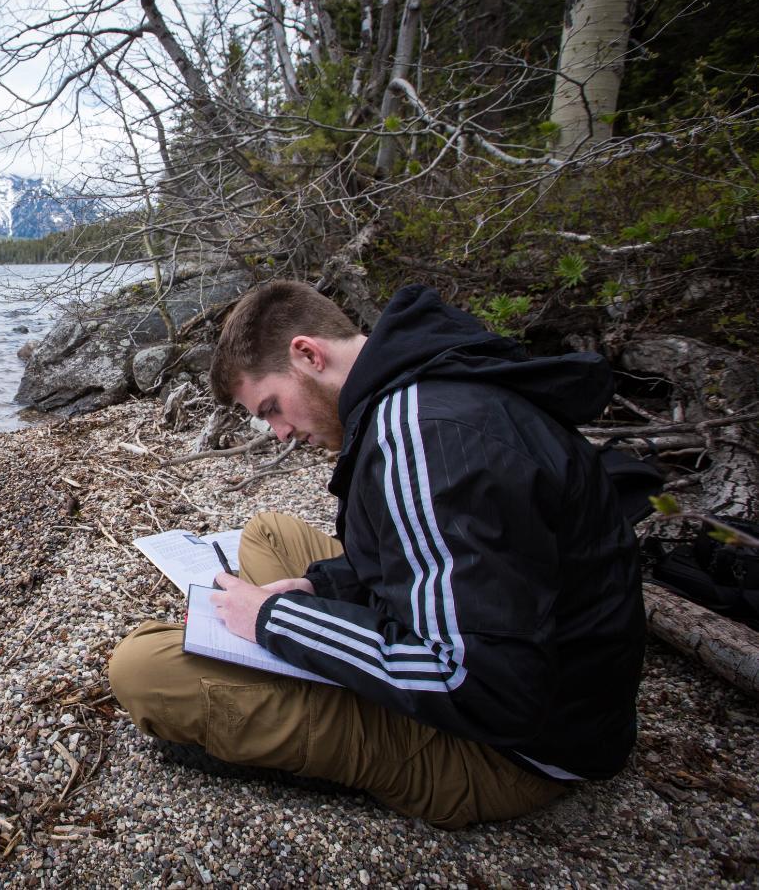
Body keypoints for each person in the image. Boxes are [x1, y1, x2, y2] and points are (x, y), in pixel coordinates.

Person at [107, 281, 648, 829]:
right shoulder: (424, 382)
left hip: (508, 751)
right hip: (562, 690)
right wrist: (323, 589)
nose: (281, 433)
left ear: (308, 354)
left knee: (142, 669)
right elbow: (435, 562)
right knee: (270, 534)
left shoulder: (423, 435)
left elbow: (479, 685)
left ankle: (300, 742)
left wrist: (276, 619)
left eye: (272, 408)